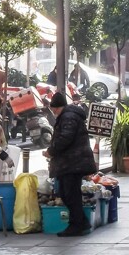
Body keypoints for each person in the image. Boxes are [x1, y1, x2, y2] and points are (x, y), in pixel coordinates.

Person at [44, 91, 96, 238]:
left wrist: (51, 151)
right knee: (70, 193)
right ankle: (80, 222)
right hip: (72, 162)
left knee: (69, 193)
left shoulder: (68, 117)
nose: (53, 111)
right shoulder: (69, 115)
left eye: (53, 108)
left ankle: (77, 224)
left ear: (56, 107)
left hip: (73, 163)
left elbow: (65, 137)